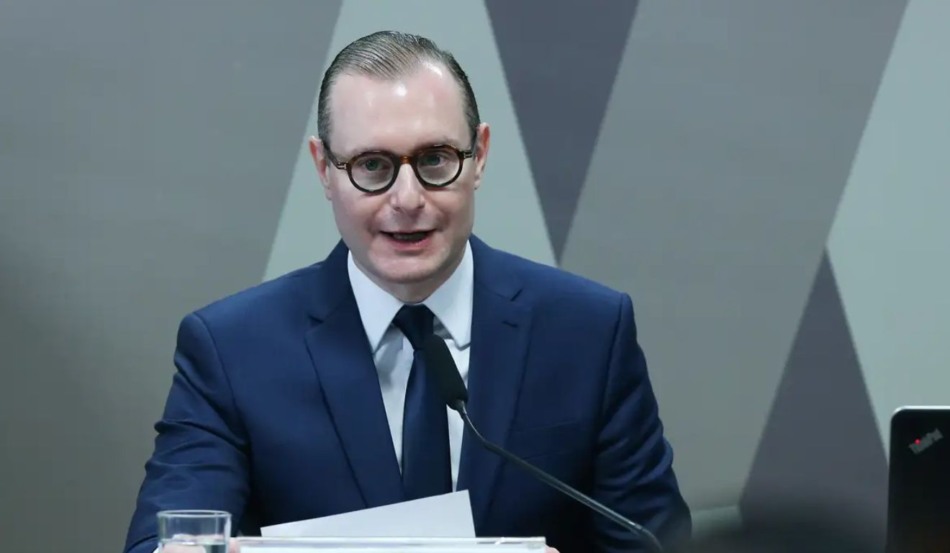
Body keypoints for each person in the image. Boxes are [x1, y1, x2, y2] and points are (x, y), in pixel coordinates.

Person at [122, 30, 691, 553]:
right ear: (324, 169)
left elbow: (653, 542)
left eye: (435, 160)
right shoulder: (232, 350)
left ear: (479, 156)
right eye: (372, 165)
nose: (408, 198)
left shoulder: (587, 332)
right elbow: (166, 536)